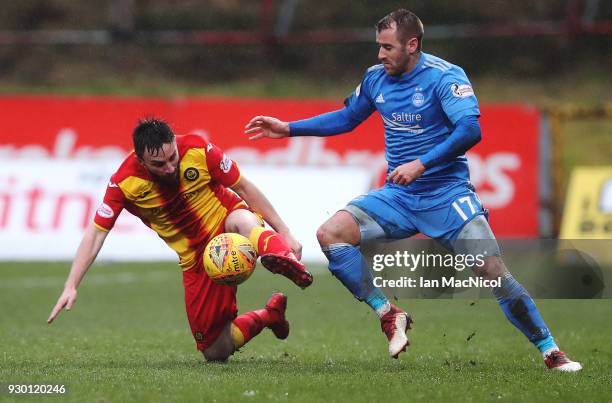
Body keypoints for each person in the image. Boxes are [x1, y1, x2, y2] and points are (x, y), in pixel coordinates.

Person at [244, 9, 581, 371]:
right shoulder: (376, 79)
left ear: (412, 44)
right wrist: (288, 128)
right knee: (331, 234)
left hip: (448, 194)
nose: (380, 55)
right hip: (400, 197)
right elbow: (347, 118)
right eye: (379, 46)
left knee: (493, 271)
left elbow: (470, 130)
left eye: (388, 47)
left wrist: (422, 163)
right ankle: (388, 313)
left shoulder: (445, 77)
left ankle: (550, 350)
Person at [48, 118, 313, 362]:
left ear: (175, 142)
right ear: (141, 160)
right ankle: (270, 315)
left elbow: (242, 186)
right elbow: (96, 233)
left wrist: (284, 231)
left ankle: (284, 257)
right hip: (196, 259)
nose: (170, 167)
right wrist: (71, 284)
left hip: (226, 222)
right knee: (215, 351)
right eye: (159, 165)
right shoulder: (124, 183)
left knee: (243, 221)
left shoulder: (199, 149)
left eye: (172, 157)